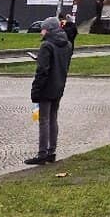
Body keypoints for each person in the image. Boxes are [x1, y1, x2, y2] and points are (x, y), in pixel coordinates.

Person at [25, 16, 74, 165]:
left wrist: (35, 90)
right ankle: (51, 151)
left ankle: (42, 153)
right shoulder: (68, 45)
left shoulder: (47, 46)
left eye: (43, 29)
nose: (41, 32)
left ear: (49, 30)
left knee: (43, 120)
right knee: (53, 119)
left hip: (46, 87)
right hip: (59, 86)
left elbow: (43, 71)